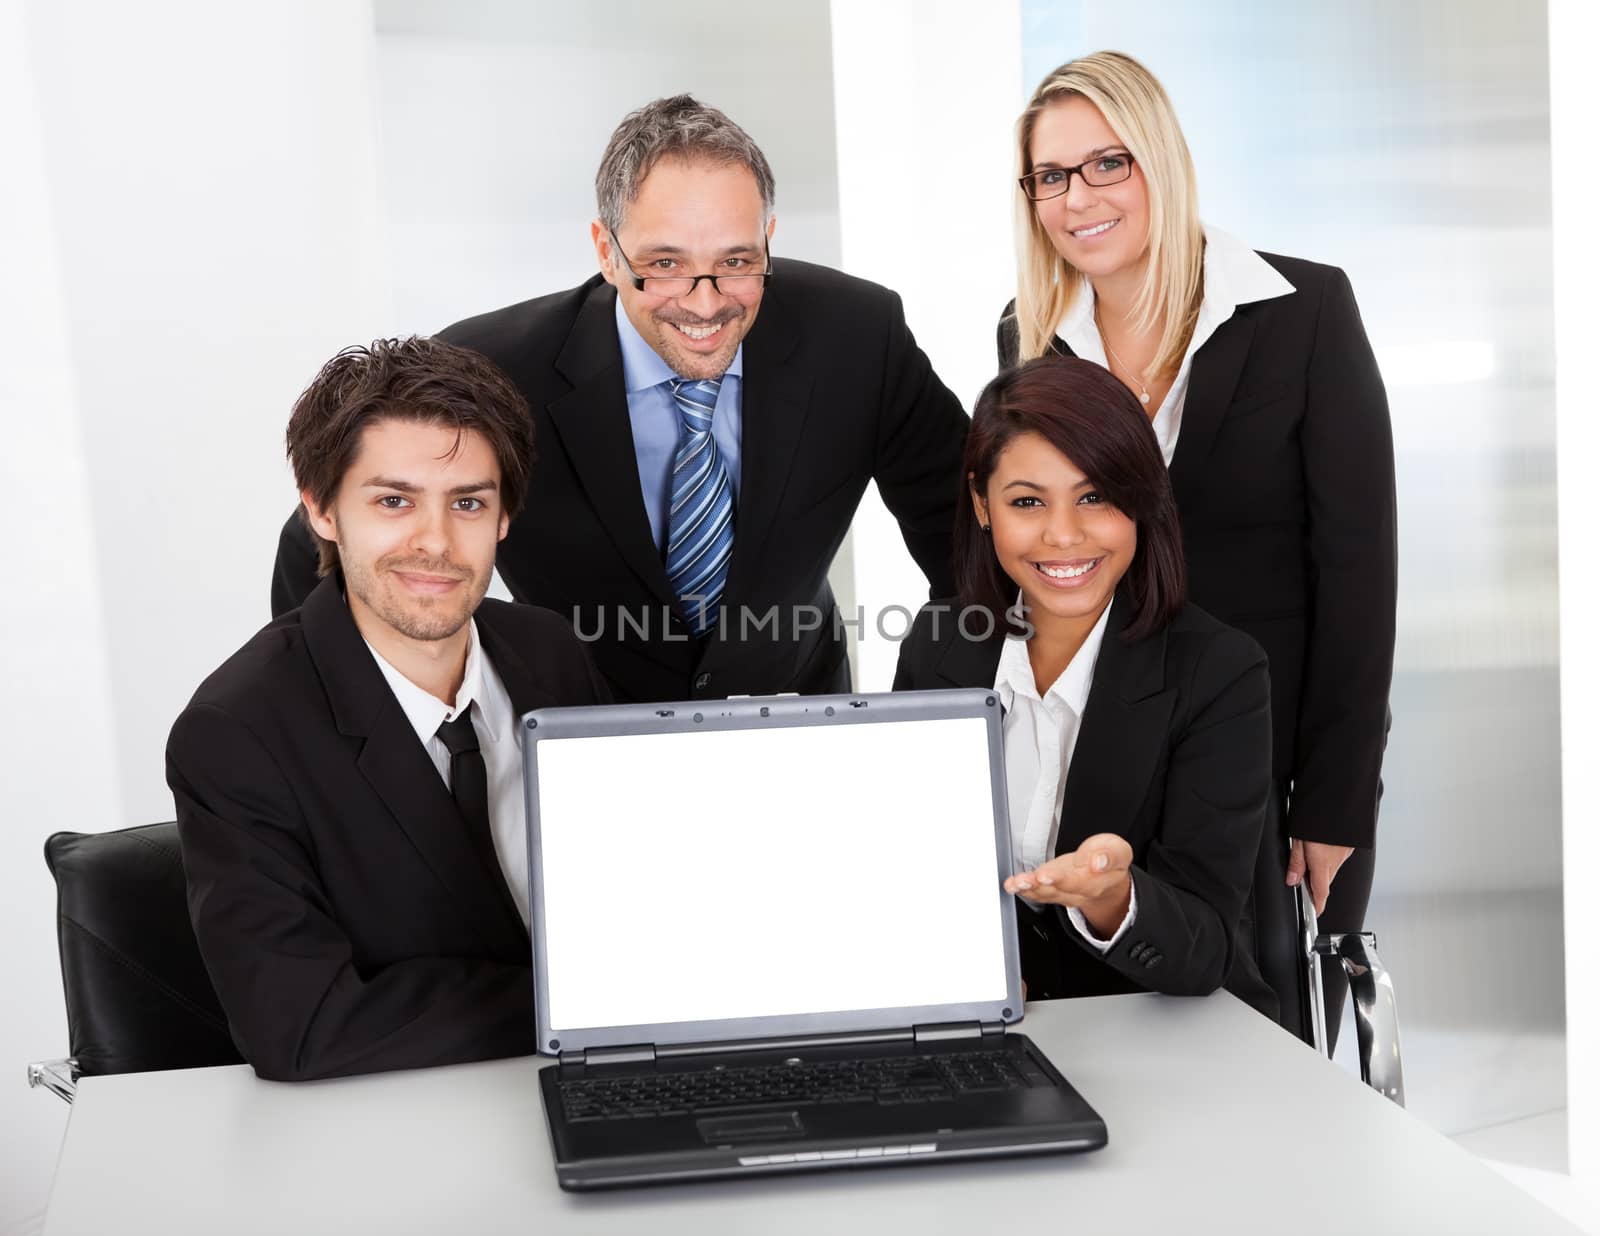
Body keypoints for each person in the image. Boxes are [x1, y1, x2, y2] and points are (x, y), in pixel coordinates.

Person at [271, 94, 970, 704]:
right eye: (664, 265)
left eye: (736, 261)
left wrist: (926, 711)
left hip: (793, 713)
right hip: (574, 733)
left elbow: (970, 538)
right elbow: (328, 539)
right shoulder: (495, 367)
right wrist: (353, 728)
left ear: (769, 240)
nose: (708, 303)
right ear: (607, 251)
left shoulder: (856, 337)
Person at [998, 52, 1395, 1037]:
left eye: (1106, 164)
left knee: (1267, 1070)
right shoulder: (1027, 335)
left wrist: (1335, 806)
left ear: (1160, 164)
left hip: (1264, 779)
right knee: (1118, 1056)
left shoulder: (1301, 313)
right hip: (1102, 770)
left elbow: (1357, 573)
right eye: (1051, 176)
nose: (1077, 198)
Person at [168, 337, 609, 1081]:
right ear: (322, 509)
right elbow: (300, 1030)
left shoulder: (550, 652)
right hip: (393, 1131)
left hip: (602, 1081)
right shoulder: (237, 733)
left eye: (468, 502)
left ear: (505, 518)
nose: (435, 543)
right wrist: (588, 1001)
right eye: (394, 501)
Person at [894, 357, 1275, 1016]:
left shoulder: (1219, 673)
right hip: (995, 1035)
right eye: (1026, 501)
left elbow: (1206, 948)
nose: (1064, 534)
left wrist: (1114, 901)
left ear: (1141, 499)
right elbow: (912, 867)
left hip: (1163, 1032)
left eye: (1095, 496)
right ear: (983, 505)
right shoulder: (938, 645)